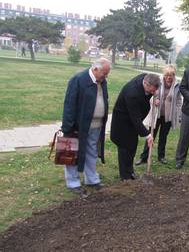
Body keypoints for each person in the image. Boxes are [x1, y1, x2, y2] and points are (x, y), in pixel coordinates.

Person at [61, 58, 111, 194]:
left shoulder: (102, 81)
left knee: (91, 152)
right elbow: (69, 105)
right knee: (72, 153)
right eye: (104, 74)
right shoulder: (78, 80)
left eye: (107, 74)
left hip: (96, 125)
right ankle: (73, 182)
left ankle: (92, 179)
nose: (105, 77)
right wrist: (68, 127)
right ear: (95, 69)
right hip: (79, 126)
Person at [110, 73, 161, 180]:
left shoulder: (146, 77)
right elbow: (135, 119)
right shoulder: (132, 93)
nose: (153, 93)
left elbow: (136, 119)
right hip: (122, 123)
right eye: (151, 91)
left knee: (132, 146)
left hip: (132, 123)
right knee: (125, 149)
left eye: (154, 90)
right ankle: (125, 177)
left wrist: (154, 98)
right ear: (146, 84)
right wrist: (147, 135)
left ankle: (130, 171)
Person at [136, 65, 182, 165]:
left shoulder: (177, 85)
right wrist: (154, 100)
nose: (169, 78)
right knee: (151, 135)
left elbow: (179, 101)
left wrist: (178, 113)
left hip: (168, 116)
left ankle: (161, 157)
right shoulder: (158, 82)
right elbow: (150, 94)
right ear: (164, 75)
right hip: (156, 114)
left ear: (174, 75)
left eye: (171, 75)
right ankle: (144, 157)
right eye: (167, 75)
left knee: (163, 137)